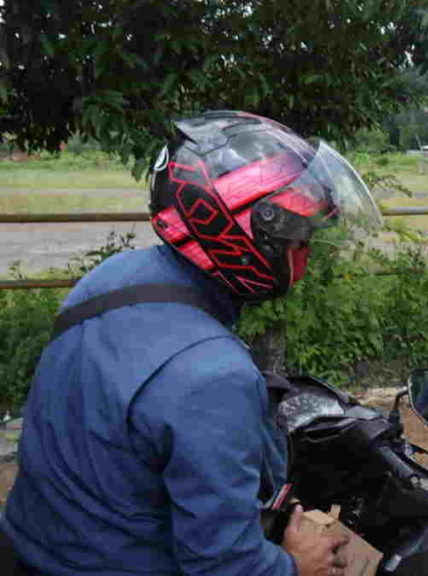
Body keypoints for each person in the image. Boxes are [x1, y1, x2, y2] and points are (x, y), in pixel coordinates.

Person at [0, 111, 382, 575]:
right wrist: (294, 566)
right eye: (297, 237)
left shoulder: (111, 280)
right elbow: (224, 567)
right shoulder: (213, 377)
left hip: (34, 543)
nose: (304, 250)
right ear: (243, 239)